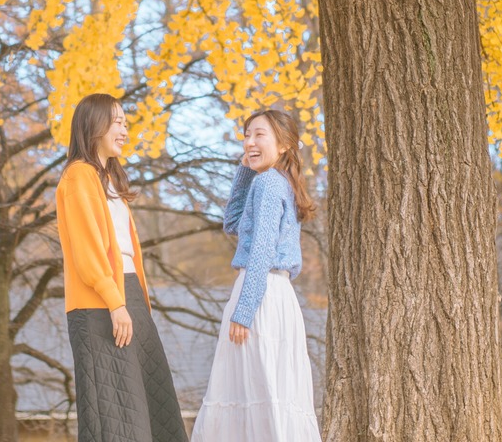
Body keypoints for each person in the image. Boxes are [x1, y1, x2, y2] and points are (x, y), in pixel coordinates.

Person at [55, 93, 188, 442]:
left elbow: (123, 253)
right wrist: (116, 303)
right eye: (117, 122)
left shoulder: (108, 179)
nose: (124, 130)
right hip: (100, 304)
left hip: (126, 298)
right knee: (114, 415)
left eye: (125, 123)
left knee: (150, 407)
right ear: (93, 125)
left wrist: (130, 303)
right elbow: (88, 252)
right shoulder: (79, 177)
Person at [191, 108, 322, 441]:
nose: (249, 141)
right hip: (277, 297)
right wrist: (245, 168)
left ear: (283, 145)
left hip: (258, 293)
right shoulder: (276, 183)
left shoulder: (268, 183)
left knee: (251, 391)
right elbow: (232, 222)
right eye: (246, 135)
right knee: (271, 392)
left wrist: (244, 310)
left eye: (259, 135)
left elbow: (261, 249)